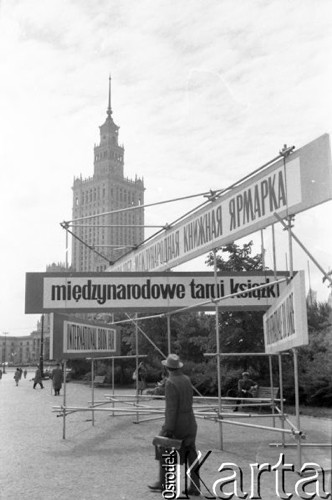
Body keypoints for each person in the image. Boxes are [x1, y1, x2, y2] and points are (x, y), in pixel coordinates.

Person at [148, 354, 200, 496]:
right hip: (190, 421)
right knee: (191, 454)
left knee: (163, 449)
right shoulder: (186, 379)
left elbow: (171, 409)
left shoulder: (171, 382)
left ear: (166, 367)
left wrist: (167, 429)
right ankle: (195, 486)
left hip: (177, 423)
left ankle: (164, 482)